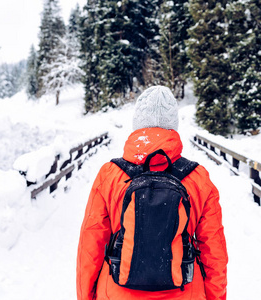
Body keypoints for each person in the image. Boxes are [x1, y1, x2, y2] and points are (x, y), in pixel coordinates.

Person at [76, 86, 228, 300]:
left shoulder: (109, 175)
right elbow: (215, 254)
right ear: (173, 126)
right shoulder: (198, 178)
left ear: (137, 125)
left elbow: (90, 247)